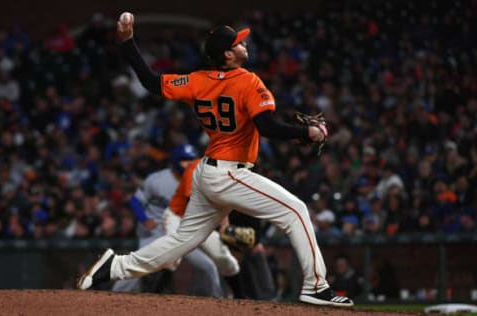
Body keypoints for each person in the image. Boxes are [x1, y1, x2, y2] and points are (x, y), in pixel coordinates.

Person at [76, 14, 353, 307]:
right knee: (296, 211)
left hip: (207, 173)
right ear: (228, 54)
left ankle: (114, 266)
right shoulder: (247, 81)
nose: (244, 44)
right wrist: (307, 132)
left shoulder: (197, 80)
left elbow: (149, 82)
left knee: (181, 242)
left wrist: (128, 42)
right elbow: (268, 127)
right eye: (238, 43)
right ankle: (316, 286)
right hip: (228, 173)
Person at [112, 144, 235, 298]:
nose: (188, 163)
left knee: (208, 266)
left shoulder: (200, 181)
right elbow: (135, 201)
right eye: (184, 160)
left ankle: (219, 302)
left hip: (180, 235)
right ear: (175, 161)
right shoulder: (157, 180)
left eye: (191, 159)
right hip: (154, 233)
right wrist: (145, 219)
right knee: (138, 266)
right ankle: (111, 297)